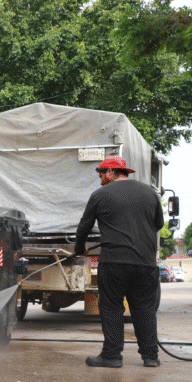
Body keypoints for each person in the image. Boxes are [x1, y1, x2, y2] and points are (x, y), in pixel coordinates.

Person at [74, 155, 164, 368]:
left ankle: (112, 356)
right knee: (144, 308)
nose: (99, 177)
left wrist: (80, 249)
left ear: (112, 171)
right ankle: (151, 356)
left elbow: (83, 228)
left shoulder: (99, 195)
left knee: (112, 307)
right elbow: (158, 224)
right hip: (145, 263)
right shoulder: (150, 193)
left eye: (101, 172)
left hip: (114, 262)